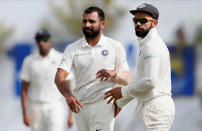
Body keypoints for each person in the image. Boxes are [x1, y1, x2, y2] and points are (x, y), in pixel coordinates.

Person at [54, 6, 130, 131]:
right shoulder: (72, 48)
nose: (87, 25)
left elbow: (126, 78)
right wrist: (68, 96)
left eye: (92, 21)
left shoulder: (114, 46)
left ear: (102, 24)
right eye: (85, 21)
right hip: (80, 107)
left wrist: (114, 74)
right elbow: (59, 77)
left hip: (104, 105)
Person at [104, 3, 175, 131]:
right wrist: (121, 102)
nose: (138, 24)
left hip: (156, 107)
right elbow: (141, 82)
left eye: (143, 20)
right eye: (135, 20)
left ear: (155, 23)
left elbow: (149, 82)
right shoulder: (147, 44)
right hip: (155, 106)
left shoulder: (151, 46)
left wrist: (122, 92)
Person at [20, 29, 73, 131]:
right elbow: (24, 90)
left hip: (55, 106)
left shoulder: (61, 58)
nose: (42, 42)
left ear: (50, 41)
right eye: (39, 39)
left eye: (45, 39)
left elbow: (68, 88)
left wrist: (71, 115)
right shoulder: (29, 61)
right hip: (35, 106)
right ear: (36, 42)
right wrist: (24, 114)